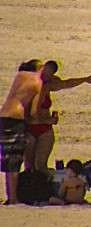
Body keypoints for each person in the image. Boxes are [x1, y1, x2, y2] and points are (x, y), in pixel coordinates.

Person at [25, 60, 91, 173]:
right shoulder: (29, 86)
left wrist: (85, 79)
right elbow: (27, 117)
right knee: (29, 167)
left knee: (41, 165)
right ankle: (29, 189)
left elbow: (67, 83)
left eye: (48, 74)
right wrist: (48, 120)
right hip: (31, 128)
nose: (44, 76)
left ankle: (44, 189)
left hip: (45, 129)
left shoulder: (49, 85)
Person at [2, 62, 43, 204]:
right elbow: (32, 113)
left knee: (7, 159)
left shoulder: (20, 76)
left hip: (3, 116)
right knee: (15, 160)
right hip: (16, 118)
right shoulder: (38, 82)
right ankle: (13, 198)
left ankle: (10, 195)